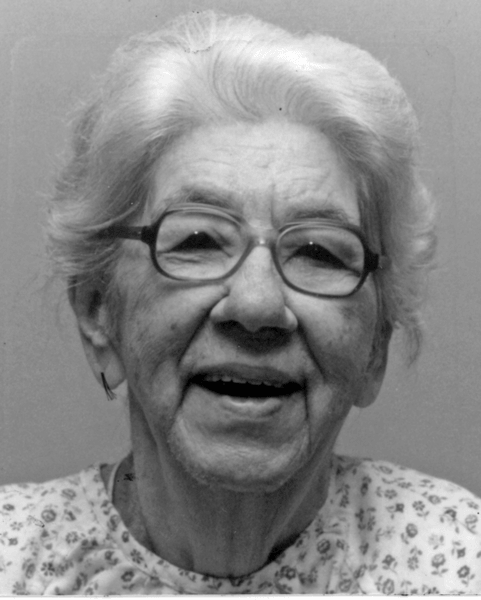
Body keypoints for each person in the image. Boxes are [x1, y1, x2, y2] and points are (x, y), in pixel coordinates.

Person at [0, 10, 479, 595]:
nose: (256, 305)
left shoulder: (457, 555)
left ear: (376, 344)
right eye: (198, 241)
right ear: (100, 311)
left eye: (319, 253)